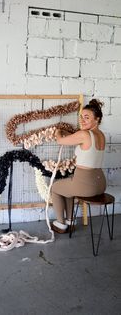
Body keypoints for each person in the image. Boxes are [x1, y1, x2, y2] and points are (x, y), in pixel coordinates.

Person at [51, 99, 106, 233]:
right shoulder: (101, 135)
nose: (82, 120)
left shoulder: (84, 134)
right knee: (69, 187)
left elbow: (60, 140)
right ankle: (70, 221)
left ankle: (60, 224)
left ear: (96, 120)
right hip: (100, 183)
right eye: (81, 117)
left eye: (87, 117)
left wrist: (58, 131)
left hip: (86, 185)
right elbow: (81, 142)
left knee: (55, 188)